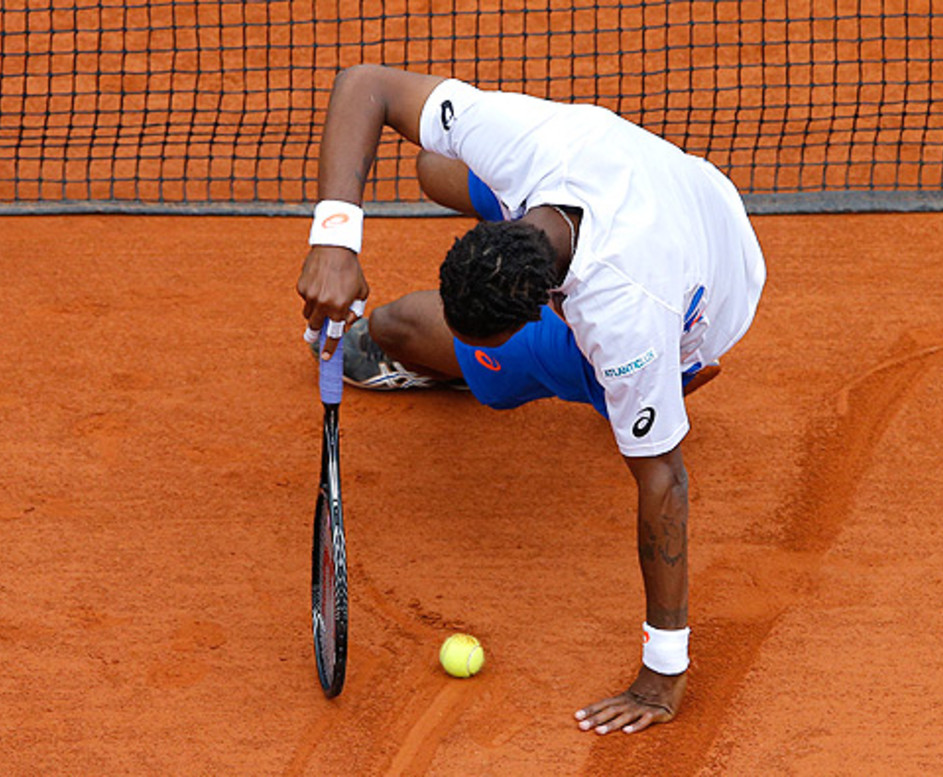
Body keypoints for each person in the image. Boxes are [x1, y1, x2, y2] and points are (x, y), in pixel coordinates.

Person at [297, 64, 766, 735]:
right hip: (690, 199)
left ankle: (513, 370)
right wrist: (335, 240)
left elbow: (664, 480)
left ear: (542, 310)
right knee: (435, 166)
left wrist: (664, 671)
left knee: (397, 327)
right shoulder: (525, 141)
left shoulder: (621, 321)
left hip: (703, 307)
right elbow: (365, 84)